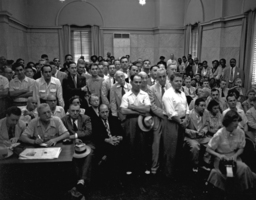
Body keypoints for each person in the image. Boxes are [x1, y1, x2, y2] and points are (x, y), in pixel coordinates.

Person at [206, 110, 256, 192]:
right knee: (228, 173)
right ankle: (227, 193)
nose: (237, 123)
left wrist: (235, 156)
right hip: (221, 159)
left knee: (244, 168)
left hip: (234, 157)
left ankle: (244, 191)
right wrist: (219, 156)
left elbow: (241, 148)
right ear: (228, 121)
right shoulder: (219, 134)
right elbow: (208, 148)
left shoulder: (240, 132)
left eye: (237, 121)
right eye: (234, 121)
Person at [120, 74, 151, 175]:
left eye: (139, 82)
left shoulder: (145, 95)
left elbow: (147, 109)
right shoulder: (126, 95)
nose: (138, 84)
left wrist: (132, 107)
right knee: (130, 143)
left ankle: (145, 166)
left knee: (143, 143)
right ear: (131, 82)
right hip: (131, 121)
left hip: (143, 121)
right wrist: (139, 110)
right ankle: (130, 166)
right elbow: (123, 111)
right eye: (136, 82)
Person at [62, 103, 94, 194]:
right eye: (73, 111)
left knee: (89, 153)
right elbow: (62, 133)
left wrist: (74, 136)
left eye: (77, 111)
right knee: (73, 156)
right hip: (71, 144)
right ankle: (80, 182)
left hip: (86, 143)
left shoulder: (85, 118)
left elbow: (88, 132)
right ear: (68, 111)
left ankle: (81, 181)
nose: (75, 113)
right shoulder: (64, 120)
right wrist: (73, 140)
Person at [162, 72, 189, 177]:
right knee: (170, 148)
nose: (179, 83)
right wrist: (181, 122)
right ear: (171, 82)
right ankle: (168, 173)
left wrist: (186, 118)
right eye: (176, 81)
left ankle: (176, 172)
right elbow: (170, 112)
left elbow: (186, 108)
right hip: (171, 123)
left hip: (181, 122)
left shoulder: (182, 93)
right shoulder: (168, 94)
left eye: (180, 81)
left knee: (179, 148)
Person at [150, 68, 171, 174]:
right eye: (160, 77)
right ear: (156, 78)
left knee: (168, 142)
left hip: (170, 118)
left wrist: (170, 114)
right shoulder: (152, 88)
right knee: (156, 141)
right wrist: (164, 115)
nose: (162, 79)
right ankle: (155, 166)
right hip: (158, 117)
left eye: (164, 76)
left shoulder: (171, 87)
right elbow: (152, 106)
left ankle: (167, 165)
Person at [185, 98, 210, 172]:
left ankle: (206, 163)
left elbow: (207, 125)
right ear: (195, 106)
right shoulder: (189, 114)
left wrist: (204, 131)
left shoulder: (206, 113)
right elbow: (184, 129)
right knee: (195, 146)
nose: (203, 107)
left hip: (202, 136)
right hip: (191, 137)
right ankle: (195, 165)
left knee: (211, 143)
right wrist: (194, 132)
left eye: (204, 105)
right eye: (201, 106)